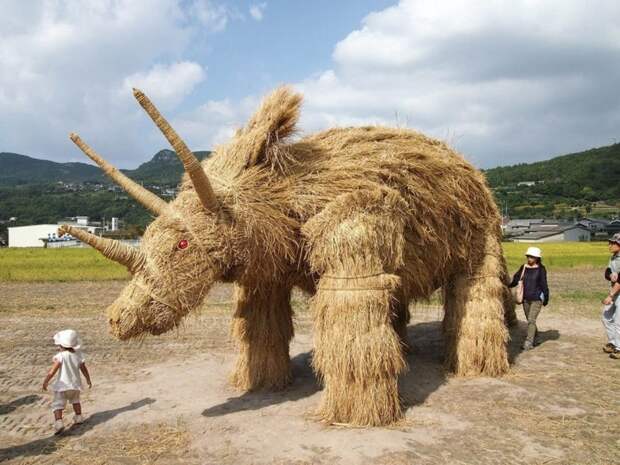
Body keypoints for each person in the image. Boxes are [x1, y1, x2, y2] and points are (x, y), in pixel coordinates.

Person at [42, 329, 92, 434]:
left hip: (62, 386)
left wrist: (46, 380)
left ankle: (59, 422)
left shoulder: (60, 357)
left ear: (61, 345)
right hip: (75, 385)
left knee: (58, 405)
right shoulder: (78, 356)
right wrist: (88, 379)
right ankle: (78, 417)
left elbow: (53, 370)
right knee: (76, 401)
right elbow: (84, 369)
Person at [508, 247, 550, 350]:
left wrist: (546, 297)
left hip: (537, 299)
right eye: (528, 256)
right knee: (530, 320)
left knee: (531, 319)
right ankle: (537, 337)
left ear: (537, 258)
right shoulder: (524, 267)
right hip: (525, 299)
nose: (529, 258)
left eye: (532, 257)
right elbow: (516, 278)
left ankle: (529, 342)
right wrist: (508, 285)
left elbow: (544, 284)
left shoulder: (541, 269)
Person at [602, 233, 620, 359]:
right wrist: (610, 275)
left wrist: (610, 295)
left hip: (617, 291)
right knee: (606, 316)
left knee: (619, 321)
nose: (609, 245)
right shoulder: (614, 257)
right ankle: (613, 343)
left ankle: (619, 348)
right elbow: (607, 271)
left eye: (612, 243)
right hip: (615, 291)